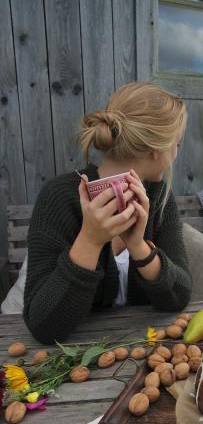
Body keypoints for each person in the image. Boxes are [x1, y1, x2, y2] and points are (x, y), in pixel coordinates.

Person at [23, 82, 192, 344]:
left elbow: (179, 296)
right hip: (76, 367)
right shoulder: (58, 197)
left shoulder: (159, 199)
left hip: (145, 355)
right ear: (156, 150)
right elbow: (43, 326)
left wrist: (138, 246)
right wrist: (90, 240)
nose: (176, 153)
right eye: (177, 144)